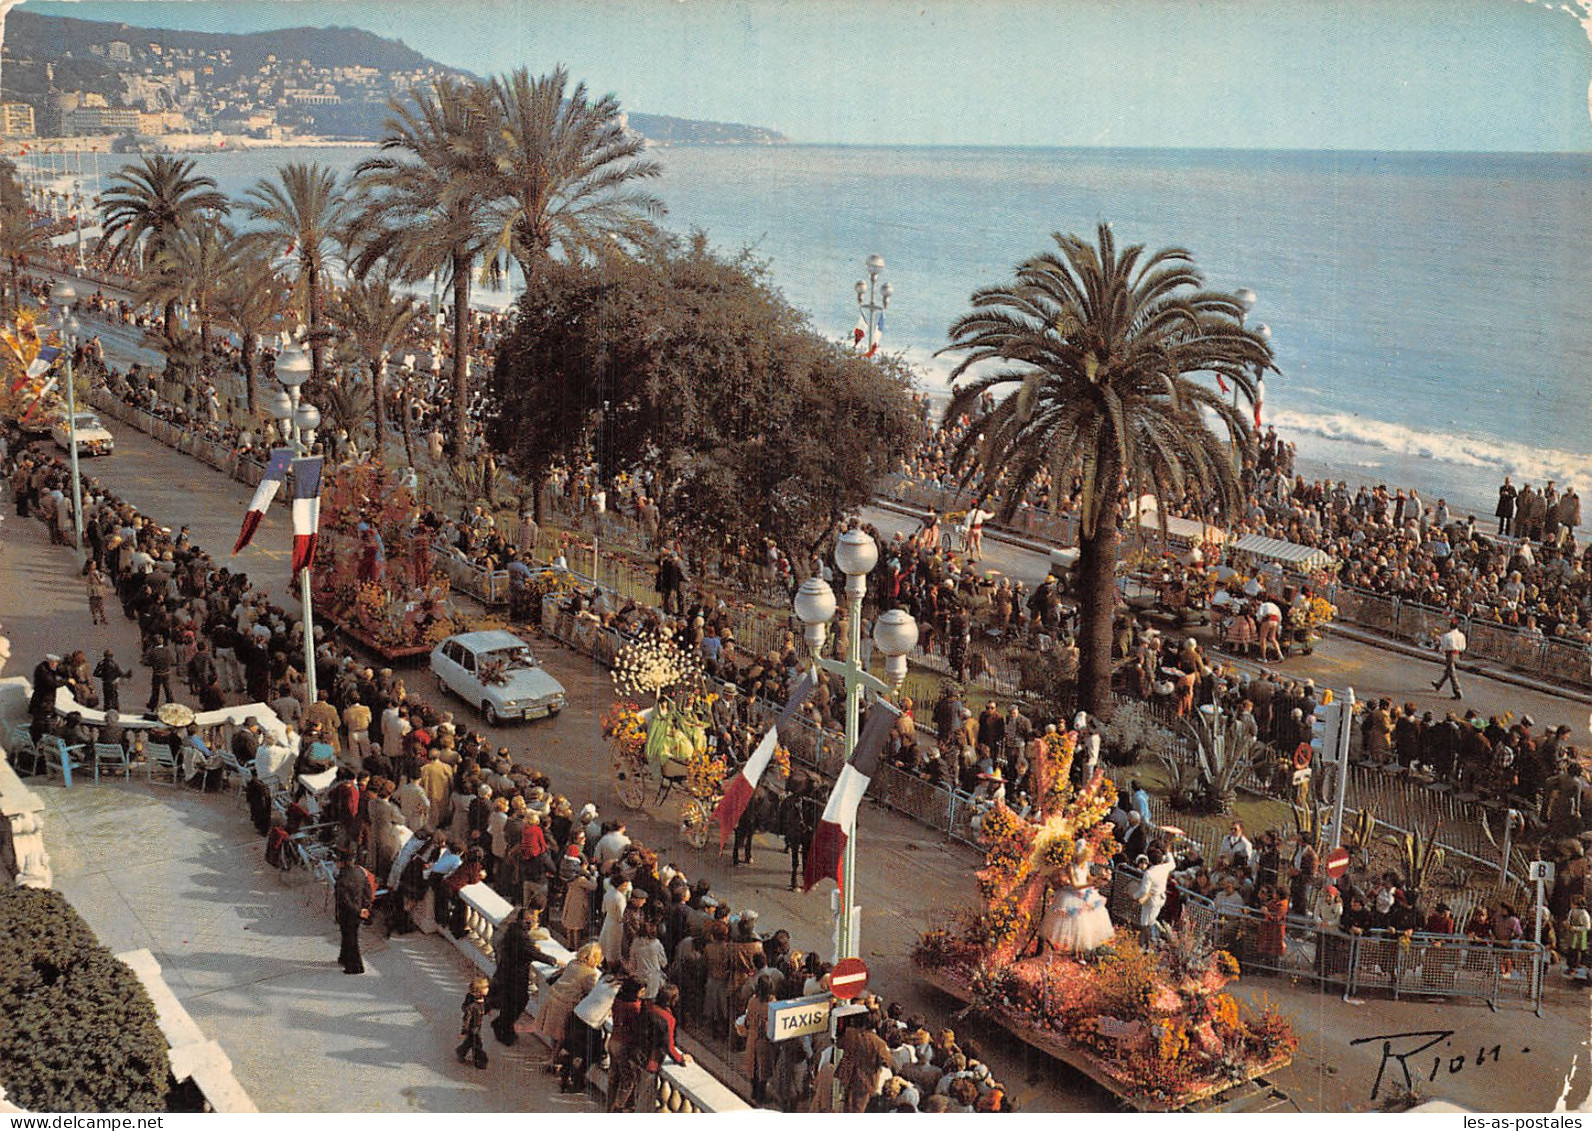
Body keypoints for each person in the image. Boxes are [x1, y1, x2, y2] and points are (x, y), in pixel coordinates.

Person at [1039, 839, 1114, 953]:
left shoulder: (1085, 865)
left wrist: (1099, 877)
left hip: (1086, 893)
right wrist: (1091, 884)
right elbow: (1075, 885)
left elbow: (1088, 878)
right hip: (1073, 894)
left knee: (1086, 923)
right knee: (1074, 922)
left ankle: (1081, 952)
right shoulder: (1071, 867)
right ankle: (1074, 951)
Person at [333, 849, 373, 975]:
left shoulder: (342, 879)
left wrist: (355, 910)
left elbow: (343, 900)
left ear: (343, 863)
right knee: (349, 936)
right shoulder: (360, 872)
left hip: (348, 913)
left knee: (351, 939)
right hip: (359, 910)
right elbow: (368, 890)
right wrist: (364, 908)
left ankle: (355, 966)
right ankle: (344, 958)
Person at [457, 976, 491, 1069]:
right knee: (477, 1043)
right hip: (472, 1028)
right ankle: (479, 1061)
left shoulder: (483, 1000)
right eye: (485, 987)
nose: (488, 989)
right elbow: (466, 1018)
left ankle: (461, 1051)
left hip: (478, 1026)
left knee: (470, 1042)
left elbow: (485, 1008)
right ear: (478, 991)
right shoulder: (472, 1006)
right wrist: (464, 1031)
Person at [1432, 617, 1466, 700]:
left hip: (1449, 654)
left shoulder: (1446, 636)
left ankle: (1458, 692)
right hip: (1457, 654)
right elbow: (1463, 647)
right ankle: (1439, 684)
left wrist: (1439, 646)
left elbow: (1443, 648)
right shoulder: (1461, 635)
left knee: (1452, 673)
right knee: (1448, 671)